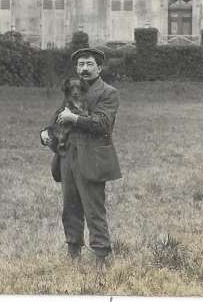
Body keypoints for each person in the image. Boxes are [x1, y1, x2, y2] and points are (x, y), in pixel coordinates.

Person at [40, 47, 121, 267]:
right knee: (70, 208)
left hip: (92, 158)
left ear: (99, 67)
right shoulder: (72, 90)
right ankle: (73, 252)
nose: (84, 69)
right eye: (81, 65)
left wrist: (74, 118)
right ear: (76, 68)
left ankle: (101, 256)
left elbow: (103, 124)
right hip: (67, 156)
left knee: (93, 208)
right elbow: (56, 118)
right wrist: (45, 134)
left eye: (89, 64)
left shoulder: (108, 92)